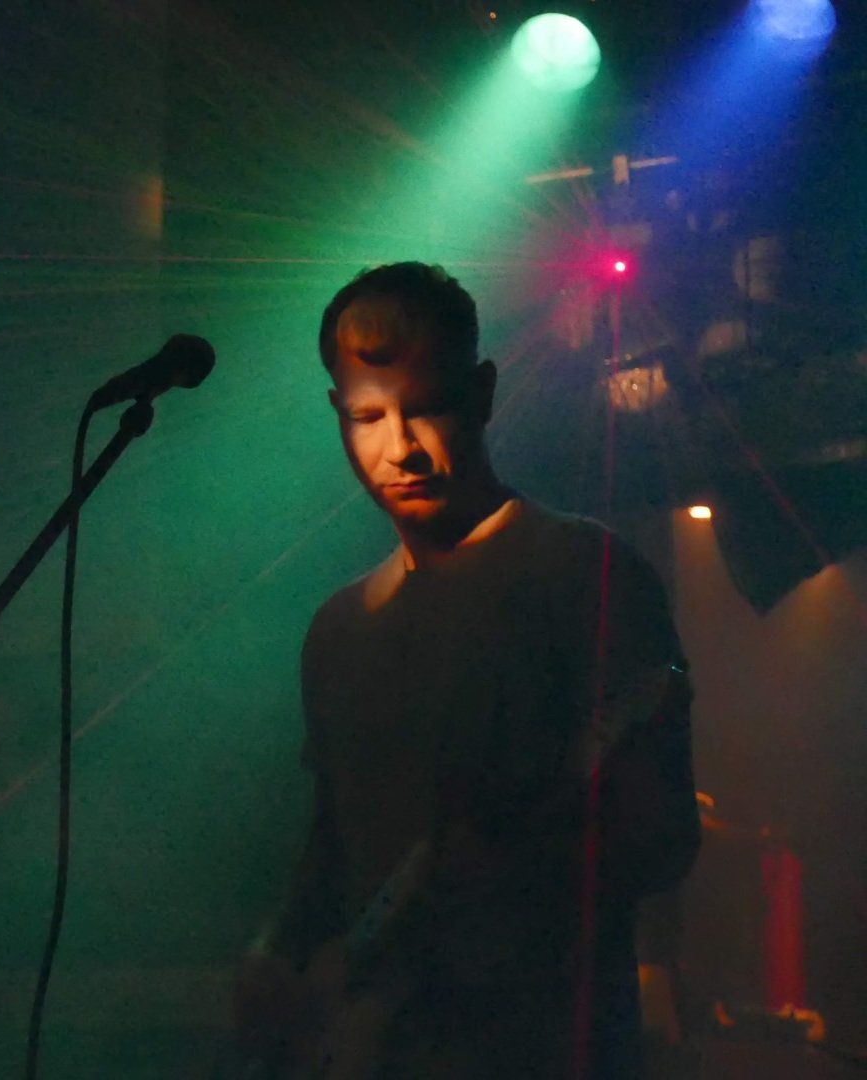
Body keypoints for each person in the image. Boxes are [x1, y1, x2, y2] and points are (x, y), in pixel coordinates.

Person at [229, 263, 701, 1077]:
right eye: (368, 416)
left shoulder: (585, 575)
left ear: (482, 394)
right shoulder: (338, 627)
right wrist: (274, 952)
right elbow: (333, 841)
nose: (400, 446)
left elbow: (664, 841)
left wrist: (530, 873)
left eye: (426, 407)